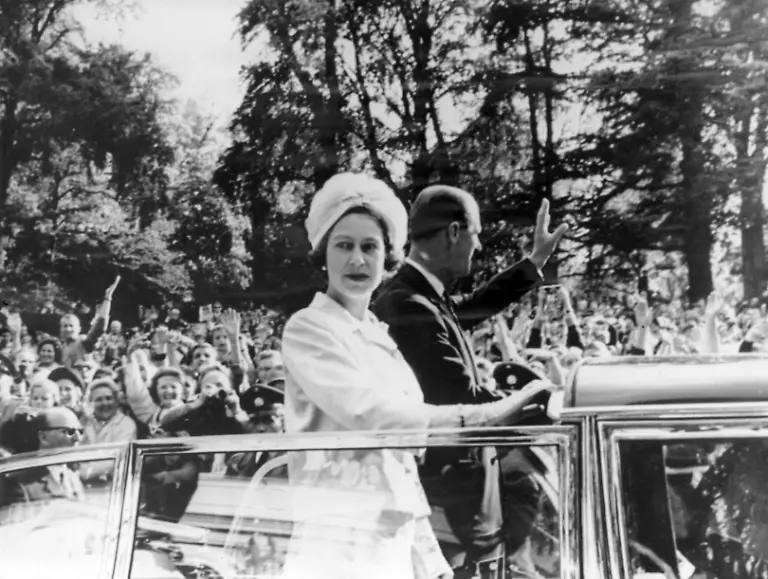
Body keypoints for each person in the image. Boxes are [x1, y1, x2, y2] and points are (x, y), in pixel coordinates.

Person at [280, 172, 555, 579]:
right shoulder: (308, 328)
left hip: (391, 538)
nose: (358, 259)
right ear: (323, 256)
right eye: (344, 246)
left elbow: (401, 466)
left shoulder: (379, 334)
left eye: (370, 247)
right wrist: (496, 414)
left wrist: (433, 566)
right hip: (336, 540)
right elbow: (377, 418)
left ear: (385, 257)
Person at [373, 184, 566, 576]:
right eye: (476, 235)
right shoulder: (406, 303)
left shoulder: (421, 297)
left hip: (458, 491)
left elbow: (475, 306)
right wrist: (531, 397)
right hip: (443, 499)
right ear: (454, 233)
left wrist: (534, 263)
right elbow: (456, 395)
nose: (477, 248)